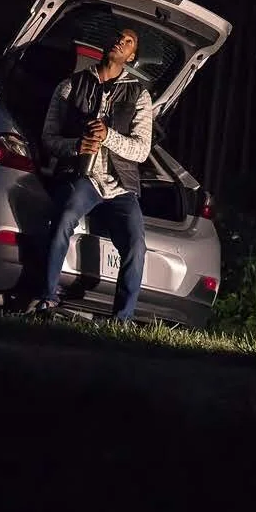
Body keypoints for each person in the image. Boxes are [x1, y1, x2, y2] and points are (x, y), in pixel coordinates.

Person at [35, 25, 153, 324]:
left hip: (120, 186)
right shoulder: (70, 86)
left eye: (128, 42)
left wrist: (108, 136)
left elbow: (141, 150)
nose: (120, 42)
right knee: (64, 219)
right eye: (118, 37)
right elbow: (48, 138)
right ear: (107, 43)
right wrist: (77, 146)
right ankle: (47, 299)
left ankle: (122, 320)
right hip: (83, 177)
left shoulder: (140, 94)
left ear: (132, 56)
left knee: (136, 244)